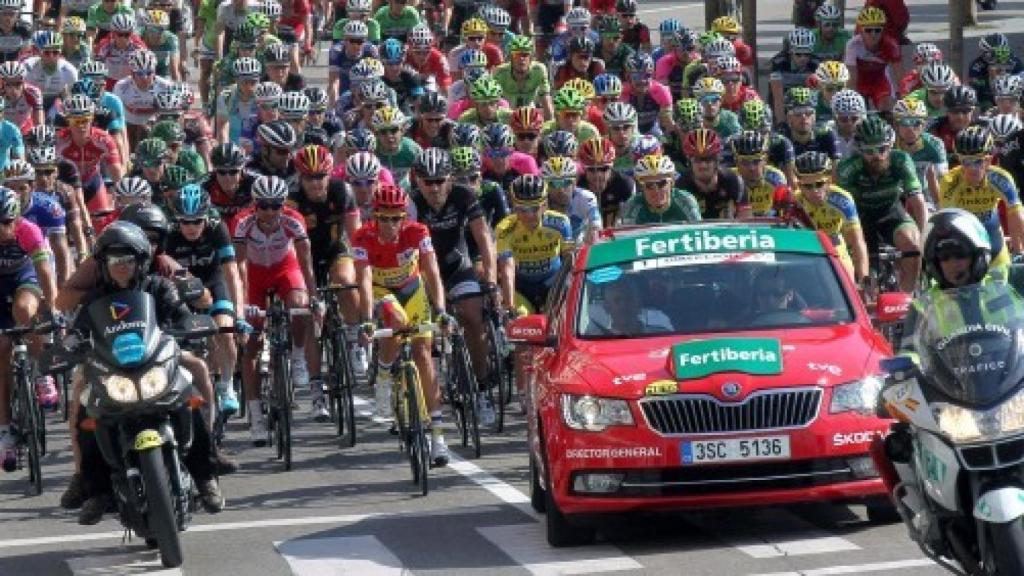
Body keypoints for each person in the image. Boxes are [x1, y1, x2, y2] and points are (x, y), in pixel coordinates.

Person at [64, 220, 224, 524]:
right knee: (88, 413)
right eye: (114, 261)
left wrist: (191, 325)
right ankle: (96, 490)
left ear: (140, 261)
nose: (121, 267)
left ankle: (206, 476)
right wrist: (66, 346)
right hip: (113, 373)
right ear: (104, 265)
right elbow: (76, 332)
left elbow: (183, 315)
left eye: (127, 260)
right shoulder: (94, 299)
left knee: (191, 400)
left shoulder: (160, 287)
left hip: (157, 366)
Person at [353, 184, 454, 465]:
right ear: (374, 216)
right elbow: (362, 280)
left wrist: (441, 310)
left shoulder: (418, 232)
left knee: (424, 354)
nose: (390, 224)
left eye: (396, 218)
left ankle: (437, 436)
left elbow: (431, 271)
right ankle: (384, 376)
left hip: (412, 288)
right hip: (381, 290)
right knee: (396, 321)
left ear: (404, 216)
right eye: (383, 218)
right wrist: (366, 320)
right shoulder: (362, 237)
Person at [407, 148, 498, 425]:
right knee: (423, 333)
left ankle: (482, 387)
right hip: (423, 269)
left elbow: (484, 239)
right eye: (427, 182)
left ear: (450, 179)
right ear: (417, 180)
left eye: (440, 180)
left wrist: (492, 282)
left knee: (473, 315)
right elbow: (408, 251)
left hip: (457, 264)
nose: (434, 188)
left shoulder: (464, 195)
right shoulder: (410, 203)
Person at [234, 175, 319, 445]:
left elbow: (306, 263)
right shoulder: (242, 222)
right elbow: (238, 267)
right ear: (254, 204)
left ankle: (296, 356)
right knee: (252, 344)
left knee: (300, 306)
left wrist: (314, 296)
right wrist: (242, 306)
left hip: (285, 269)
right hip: (254, 276)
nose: (270, 211)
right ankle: (256, 416)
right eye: (264, 205)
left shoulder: (294, 219)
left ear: (284, 205)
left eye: (276, 205)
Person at [164, 184, 246, 416]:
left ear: (206, 217)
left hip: (213, 282)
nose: (191, 227)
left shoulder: (217, 229)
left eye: (196, 221)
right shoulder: (170, 235)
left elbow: (231, 272)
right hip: (181, 289)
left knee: (225, 331)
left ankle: (227, 385)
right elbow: (165, 273)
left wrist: (238, 314)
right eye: (185, 221)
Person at [837, 115, 925, 292]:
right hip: (860, 218)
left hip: (891, 212)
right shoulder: (848, 168)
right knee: (868, 274)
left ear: (891, 146)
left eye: (882, 149)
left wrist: (923, 240)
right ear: (860, 151)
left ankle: (908, 301)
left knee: (913, 247)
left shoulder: (901, 160)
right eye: (869, 152)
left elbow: (918, 202)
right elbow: (838, 209)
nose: (877, 156)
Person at [938, 126, 1024, 270]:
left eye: (978, 161)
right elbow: (948, 222)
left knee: (1002, 288)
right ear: (959, 160)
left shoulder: (1001, 178)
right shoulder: (950, 181)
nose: (972, 168)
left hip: (993, 238)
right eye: (966, 162)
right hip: (962, 240)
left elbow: (1016, 215)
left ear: (989, 160)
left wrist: (1019, 251)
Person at [793, 151, 869, 284]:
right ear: (799, 185)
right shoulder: (794, 201)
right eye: (808, 186)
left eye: (819, 184)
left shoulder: (842, 199)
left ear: (829, 181)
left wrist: (864, 280)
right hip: (805, 250)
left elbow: (857, 242)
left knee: (847, 283)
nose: (814, 190)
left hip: (835, 245)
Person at [892, 97, 947, 208]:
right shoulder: (889, 145)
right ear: (896, 125)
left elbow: (941, 180)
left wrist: (940, 207)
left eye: (916, 123)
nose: (910, 128)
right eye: (905, 122)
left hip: (926, 195)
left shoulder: (934, 145)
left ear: (924, 125)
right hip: (896, 196)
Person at [844, 6, 902, 113]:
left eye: (877, 30)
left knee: (886, 109)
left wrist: (903, 98)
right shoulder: (853, 45)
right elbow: (851, 78)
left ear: (883, 30)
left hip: (880, 80)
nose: (873, 34)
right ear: (860, 30)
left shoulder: (891, 44)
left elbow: (900, 77)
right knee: (856, 110)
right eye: (868, 30)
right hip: (859, 80)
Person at [619, 154, 700, 225]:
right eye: (649, 185)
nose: (656, 190)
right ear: (642, 187)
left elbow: (699, 232)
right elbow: (626, 239)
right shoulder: (633, 205)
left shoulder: (685, 200)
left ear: (671, 183)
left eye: (662, 183)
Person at [731, 131, 791, 217]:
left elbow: (783, 213)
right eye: (744, 162)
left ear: (765, 160)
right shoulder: (730, 179)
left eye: (756, 161)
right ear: (736, 162)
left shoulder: (776, 178)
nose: (751, 168)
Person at [586, 275, 673, 336]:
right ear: (607, 307)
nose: (624, 305)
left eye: (629, 299)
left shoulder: (662, 335)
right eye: (617, 300)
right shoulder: (597, 343)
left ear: (639, 303)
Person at [579, 137, 633, 227]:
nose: (598, 175)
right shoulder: (578, 186)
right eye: (591, 169)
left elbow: (630, 221)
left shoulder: (624, 184)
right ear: (584, 169)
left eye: (604, 169)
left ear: (611, 167)